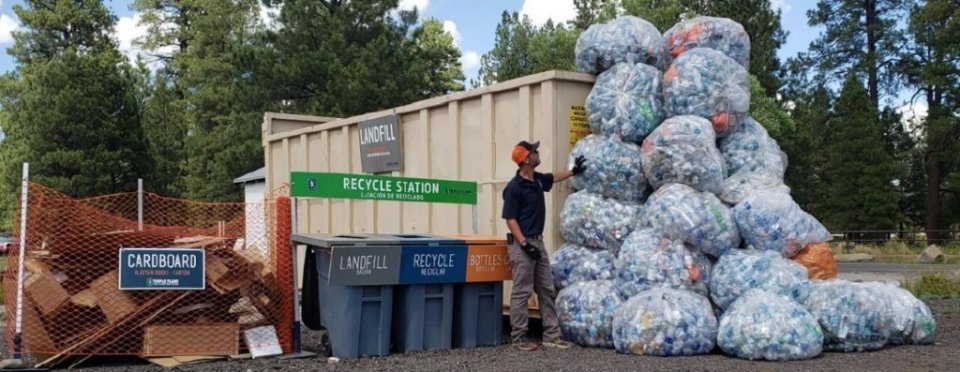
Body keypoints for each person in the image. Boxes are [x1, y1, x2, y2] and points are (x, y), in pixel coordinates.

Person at [501, 140, 587, 351]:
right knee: (522, 291)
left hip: (537, 242)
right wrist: (523, 243)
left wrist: (573, 171)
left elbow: (554, 178)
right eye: (534, 151)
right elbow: (510, 218)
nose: (538, 153)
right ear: (526, 159)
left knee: (546, 288)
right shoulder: (514, 188)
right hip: (523, 244)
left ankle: (551, 335)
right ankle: (519, 337)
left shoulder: (537, 180)